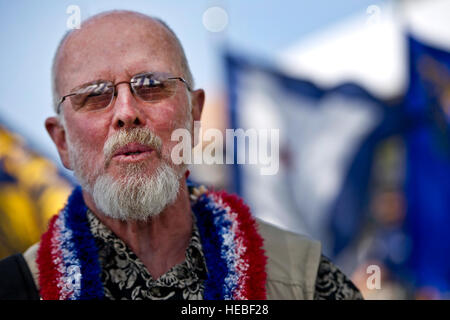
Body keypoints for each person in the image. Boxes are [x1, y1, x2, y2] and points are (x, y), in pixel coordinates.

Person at [0, 10, 363, 300]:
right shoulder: (15, 288)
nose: (126, 111)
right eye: (94, 95)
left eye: (151, 85)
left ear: (194, 115)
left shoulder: (300, 277)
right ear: (61, 140)